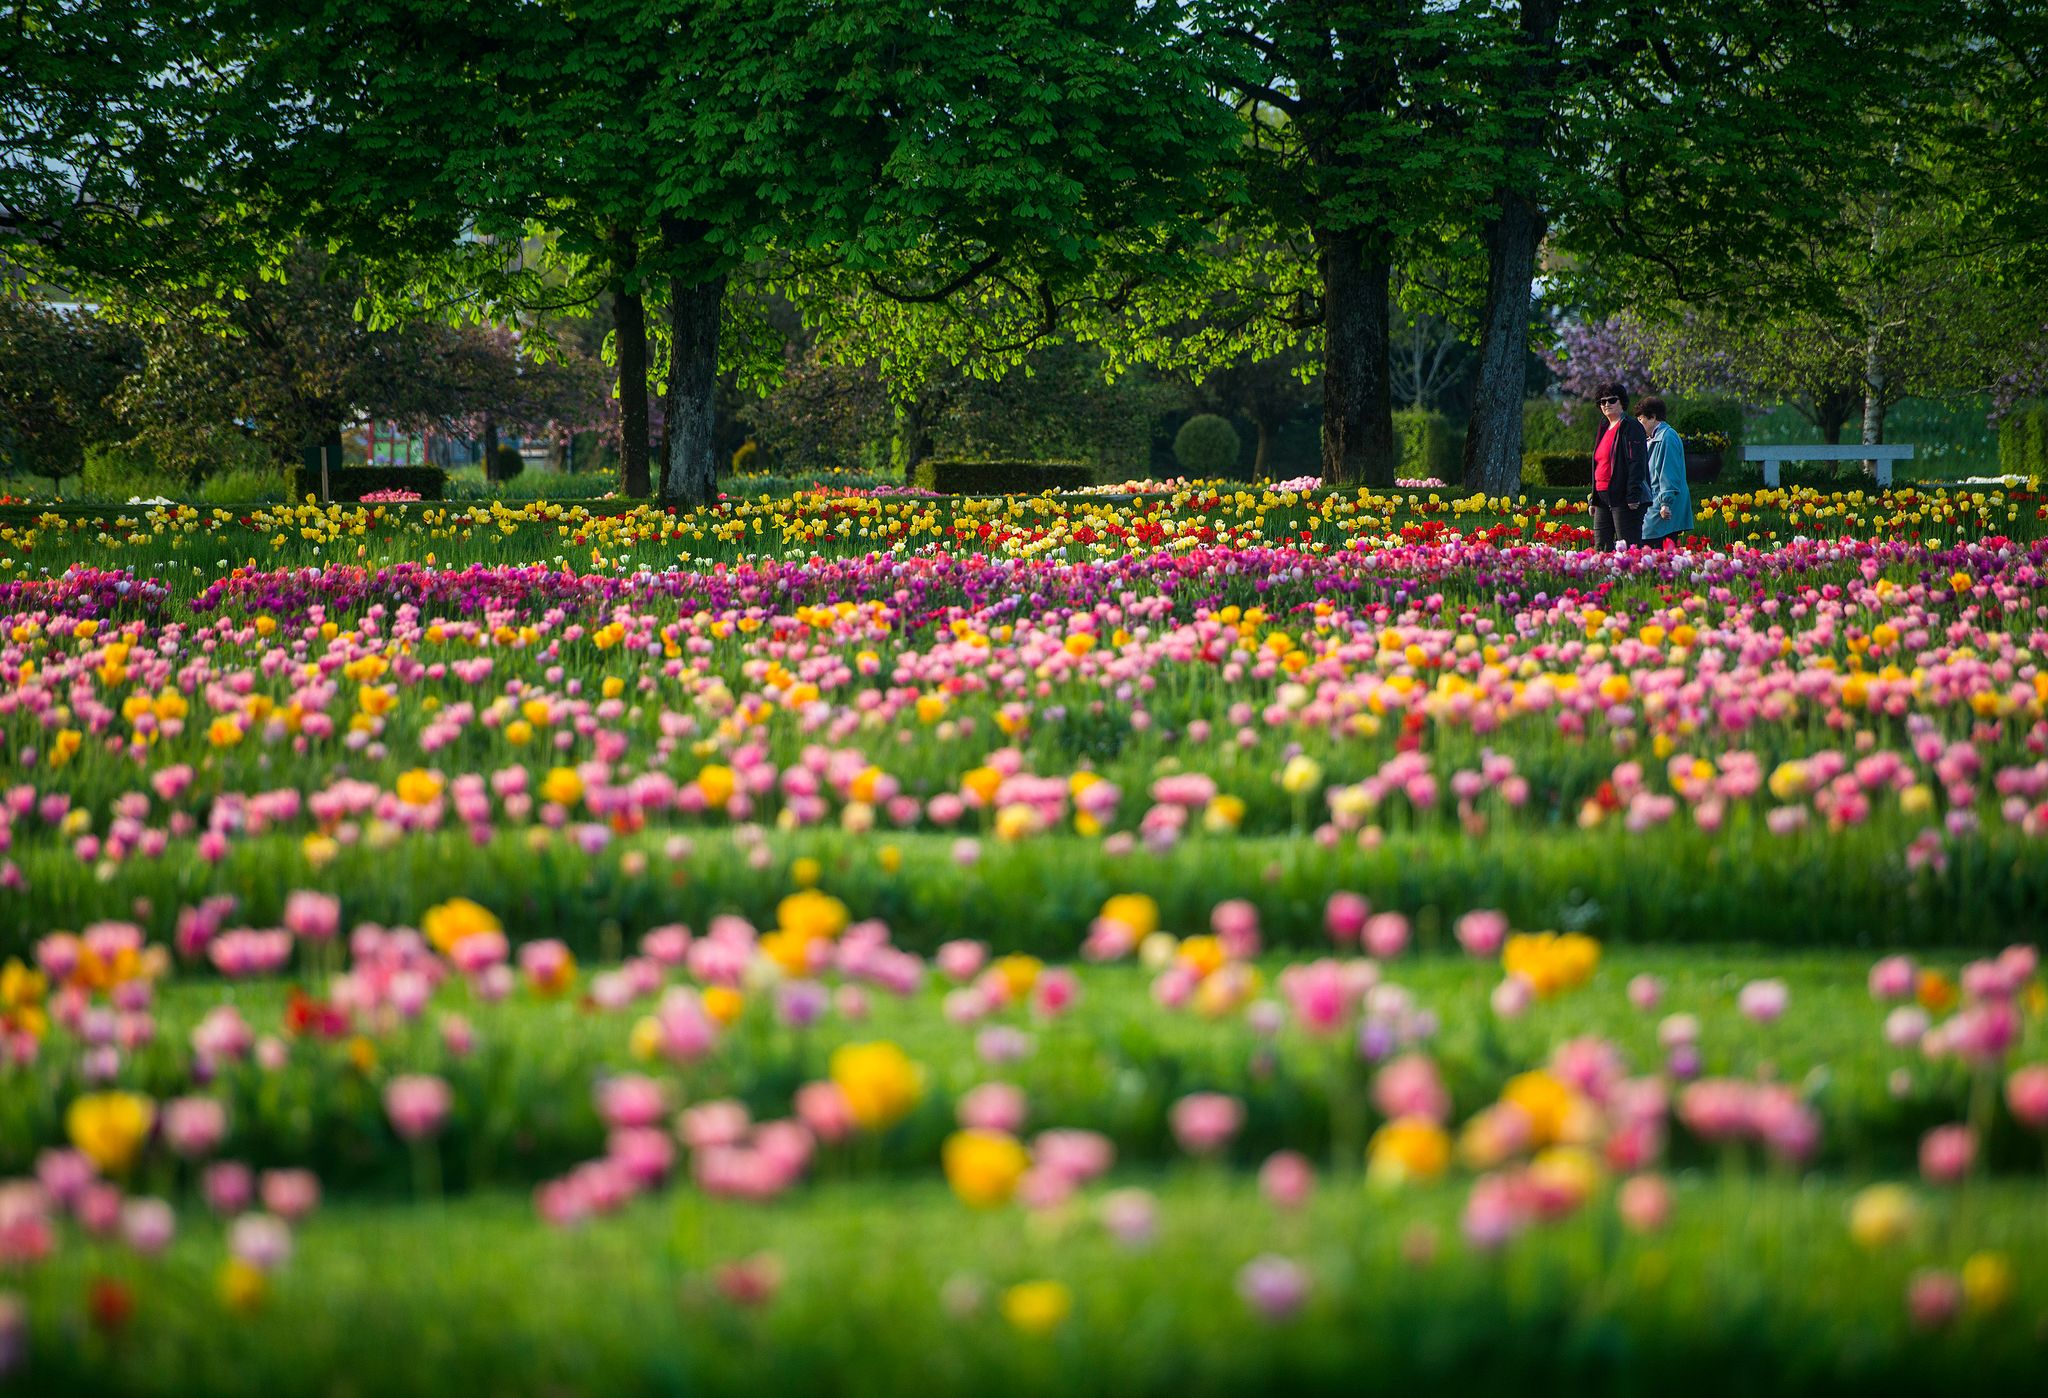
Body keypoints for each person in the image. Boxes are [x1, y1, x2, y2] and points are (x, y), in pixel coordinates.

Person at [1588, 381, 1650, 551]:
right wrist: (1594, 498)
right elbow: (1599, 464)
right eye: (1602, 401)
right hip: (1602, 498)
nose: (1607, 404)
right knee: (1601, 548)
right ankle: (1605, 578)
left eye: (1612, 400)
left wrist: (1633, 494)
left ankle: (1630, 577)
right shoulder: (1604, 427)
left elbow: (1637, 462)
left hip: (1624, 497)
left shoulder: (1631, 426)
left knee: (1628, 548)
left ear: (1621, 401)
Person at [1636, 395, 1693, 551]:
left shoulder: (1667, 437)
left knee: (1654, 547)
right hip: (1656, 501)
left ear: (1653, 417)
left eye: (1642, 420)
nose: (1640, 425)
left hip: (1663, 505)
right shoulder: (1654, 438)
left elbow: (1669, 473)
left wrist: (1665, 503)